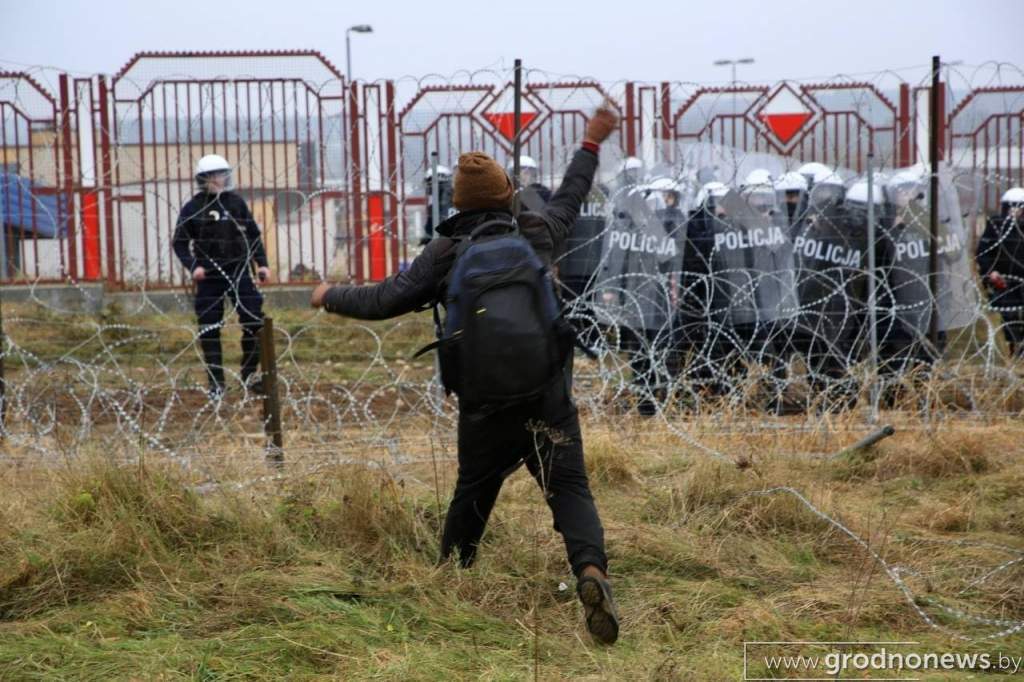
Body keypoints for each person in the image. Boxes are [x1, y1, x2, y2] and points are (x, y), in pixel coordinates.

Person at [310, 105, 621, 644]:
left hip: (484, 403)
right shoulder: (537, 232)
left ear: (457, 204)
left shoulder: (447, 251)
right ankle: (590, 571)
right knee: (569, 487)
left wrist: (328, 295)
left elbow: (386, 299)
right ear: (507, 195)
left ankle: (453, 576)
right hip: (547, 393)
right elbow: (572, 193)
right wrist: (591, 141)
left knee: (473, 491)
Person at [173, 154, 271, 400]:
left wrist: (262, 264)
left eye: (224, 174)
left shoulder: (235, 203)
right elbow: (180, 243)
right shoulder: (193, 208)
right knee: (209, 327)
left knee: (253, 320)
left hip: (239, 272)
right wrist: (193, 266)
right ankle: (216, 383)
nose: (222, 179)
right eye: (217, 175)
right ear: (204, 179)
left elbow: (253, 236)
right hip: (210, 277)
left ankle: (249, 375)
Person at [977, 187, 1024, 358]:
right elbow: (983, 251)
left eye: (1018, 207)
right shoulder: (996, 226)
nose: (1014, 211)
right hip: (1003, 280)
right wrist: (991, 272)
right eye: (1010, 207)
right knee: (1007, 316)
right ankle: (1012, 348)